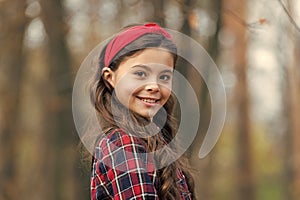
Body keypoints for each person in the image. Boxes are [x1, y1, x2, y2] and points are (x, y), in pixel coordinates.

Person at [89, 22, 196, 200]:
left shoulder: (157, 143)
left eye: (164, 77)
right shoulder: (123, 143)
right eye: (140, 74)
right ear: (110, 78)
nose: (154, 86)